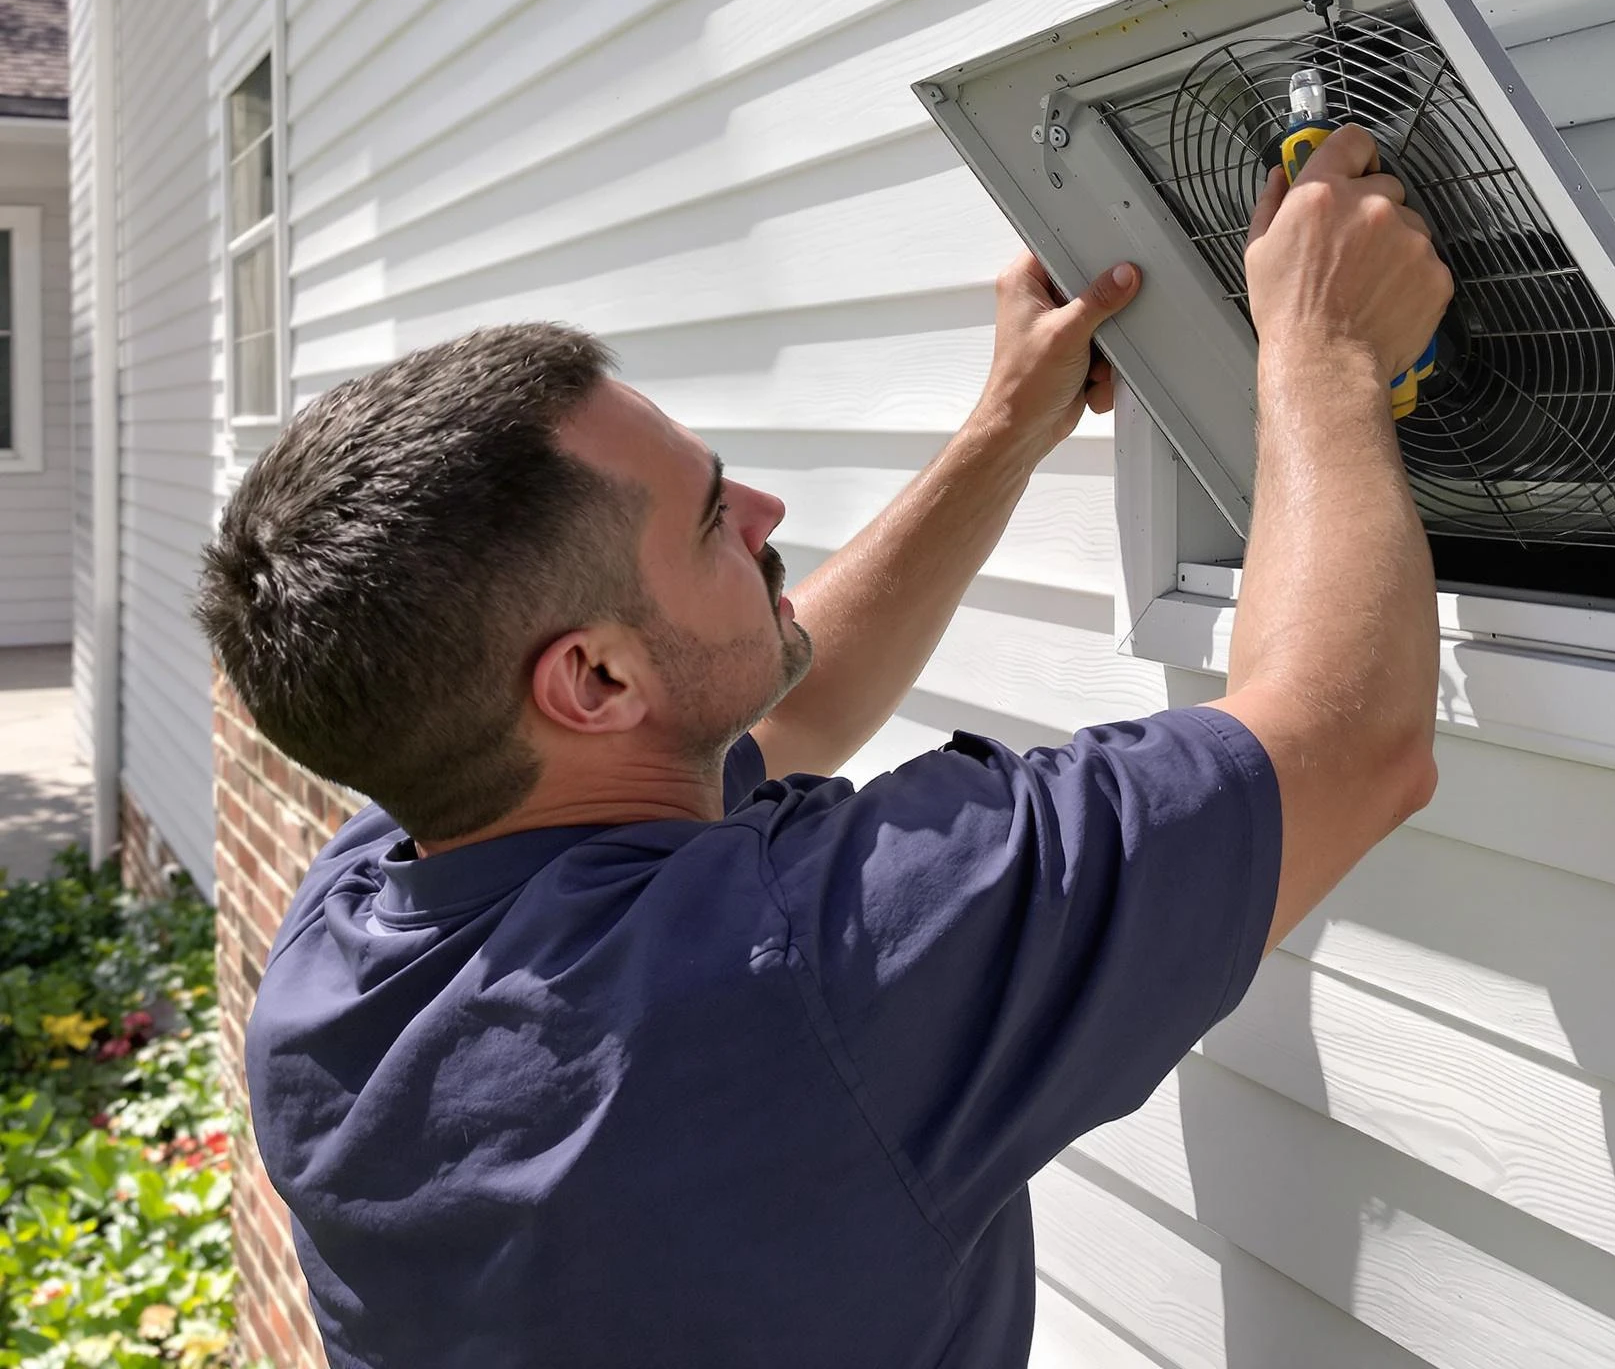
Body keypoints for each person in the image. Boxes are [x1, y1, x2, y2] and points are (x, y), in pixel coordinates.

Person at [196, 126, 1451, 1368]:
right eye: (708, 519)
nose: (763, 513)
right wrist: (1322, 347)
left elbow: (762, 718)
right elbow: (1348, 738)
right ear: (593, 677)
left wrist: (1006, 428)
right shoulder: (802, 972)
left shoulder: (346, 942)